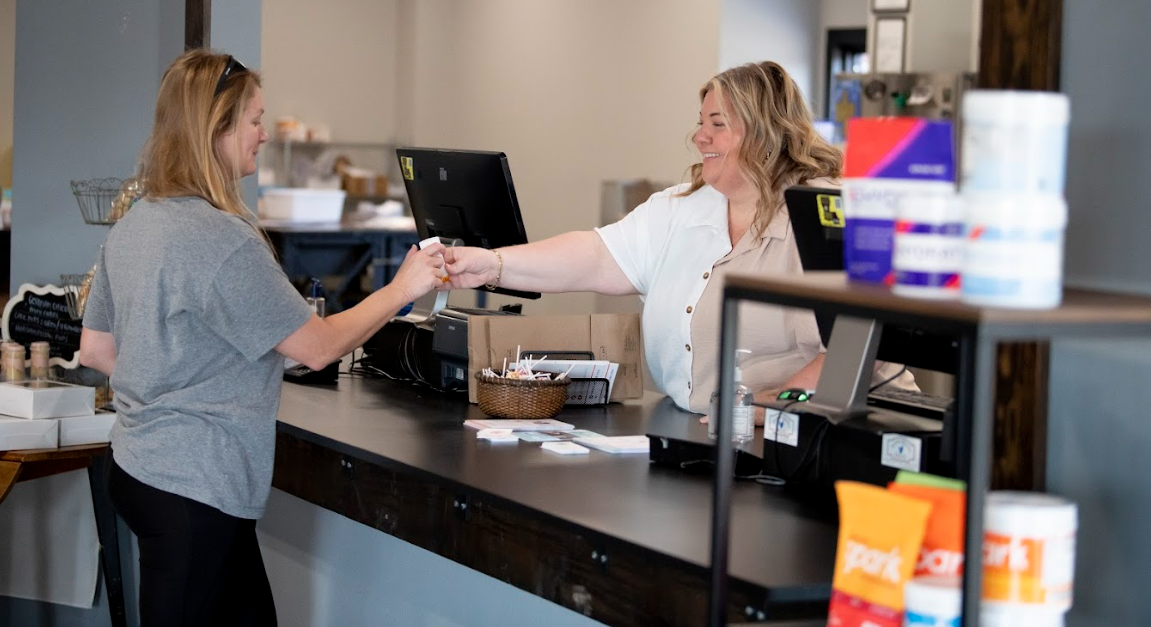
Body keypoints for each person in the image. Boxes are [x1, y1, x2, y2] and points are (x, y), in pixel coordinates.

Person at [79, 49, 448, 626]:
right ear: (216, 130)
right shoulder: (223, 240)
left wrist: (178, 366)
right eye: (254, 120)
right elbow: (319, 347)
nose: (264, 134)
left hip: (137, 468)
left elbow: (96, 351)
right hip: (193, 489)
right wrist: (404, 287)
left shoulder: (136, 223)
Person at [445, 60, 910, 414]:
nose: (699, 136)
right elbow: (596, 256)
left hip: (828, 433)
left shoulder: (826, 214)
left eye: (717, 124)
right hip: (715, 430)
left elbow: (861, 344)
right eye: (700, 121)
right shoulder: (684, 208)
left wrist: (776, 404)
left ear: (766, 133)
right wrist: (493, 263)